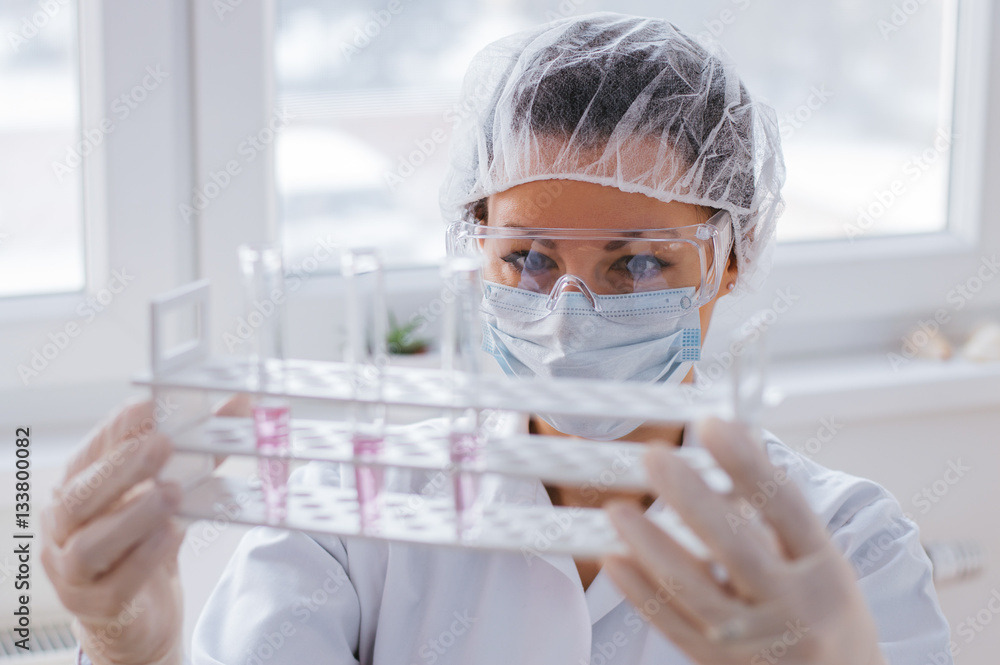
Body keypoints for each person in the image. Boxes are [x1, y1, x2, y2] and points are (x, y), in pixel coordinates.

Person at [42, 12, 952, 665]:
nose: (567, 313)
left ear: (729, 258)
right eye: (526, 259)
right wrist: (132, 648)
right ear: (470, 247)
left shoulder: (846, 545)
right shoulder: (348, 513)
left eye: (636, 265)